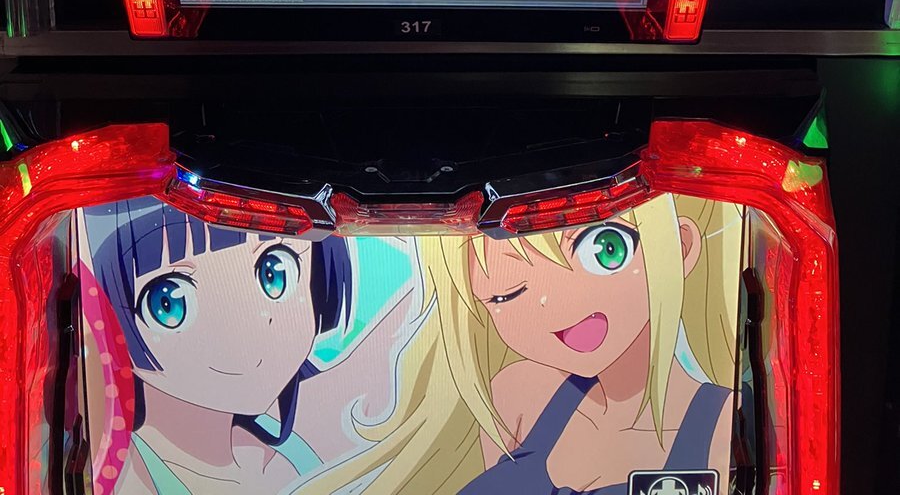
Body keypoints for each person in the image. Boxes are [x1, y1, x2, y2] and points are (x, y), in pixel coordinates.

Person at [300, 194, 742, 495]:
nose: (557, 306)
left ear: (682, 247)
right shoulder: (518, 396)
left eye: (606, 249)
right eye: (508, 295)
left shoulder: (724, 425)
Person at [80, 197, 387, 495]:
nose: (249, 328)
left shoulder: (282, 441)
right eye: (169, 303)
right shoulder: (134, 472)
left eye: (274, 272)